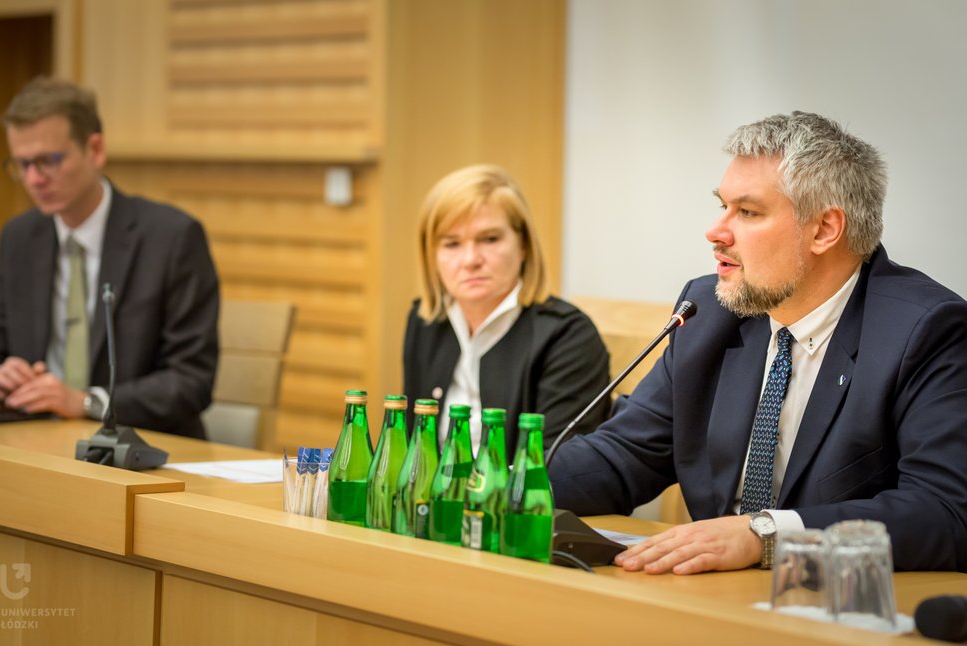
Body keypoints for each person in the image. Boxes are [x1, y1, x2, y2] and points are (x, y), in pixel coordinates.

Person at [550, 112, 967, 573]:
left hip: (839, 602)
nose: (716, 231)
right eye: (723, 206)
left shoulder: (925, 331)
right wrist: (504, 485)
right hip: (711, 595)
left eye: (747, 212)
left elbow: (945, 512)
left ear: (825, 230)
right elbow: (623, 455)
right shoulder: (709, 313)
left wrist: (765, 535)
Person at [0, 76, 219, 438]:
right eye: (23, 165)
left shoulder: (171, 238)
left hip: (138, 447)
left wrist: (86, 402)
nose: (34, 179)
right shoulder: (19, 238)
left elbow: (191, 380)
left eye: (49, 160)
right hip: (34, 441)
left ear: (95, 150)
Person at [402, 164, 610, 458]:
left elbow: (557, 466)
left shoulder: (568, 336)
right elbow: (413, 445)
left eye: (490, 239)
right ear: (431, 255)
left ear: (523, 245)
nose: (470, 260)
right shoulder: (425, 321)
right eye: (452, 244)